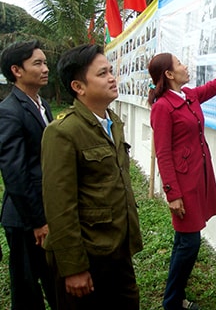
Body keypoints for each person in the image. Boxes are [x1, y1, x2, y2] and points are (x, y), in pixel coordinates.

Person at [148, 35, 216, 310]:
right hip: (182, 185)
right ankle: (172, 302)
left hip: (198, 179)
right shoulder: (163, 107)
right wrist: (173, 194)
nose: (186, 66)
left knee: (182, 242)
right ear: (169, 73)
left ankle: (173, 298)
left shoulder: (188, 96)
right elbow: (162, 153)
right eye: (180, 63)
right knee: (190, 243)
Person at [41, 44, 143, 310]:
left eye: (111, 71)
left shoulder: (112, 121)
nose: (112, 78)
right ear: (79, 86)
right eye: (102, 73)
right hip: (88, 255)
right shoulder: (63, 132)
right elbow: (59, 206)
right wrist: (73, 268)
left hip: (117, 248)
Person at [0, 40, 56, 309]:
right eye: (38, 63)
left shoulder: (41, 104)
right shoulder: (9, 111)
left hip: (45, 209)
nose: (45, 68)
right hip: (25, 219)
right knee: (26, 289)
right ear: (16, 70)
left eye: (45, 62)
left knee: (53, 278)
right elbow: (15, 172)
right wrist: (37, 221)